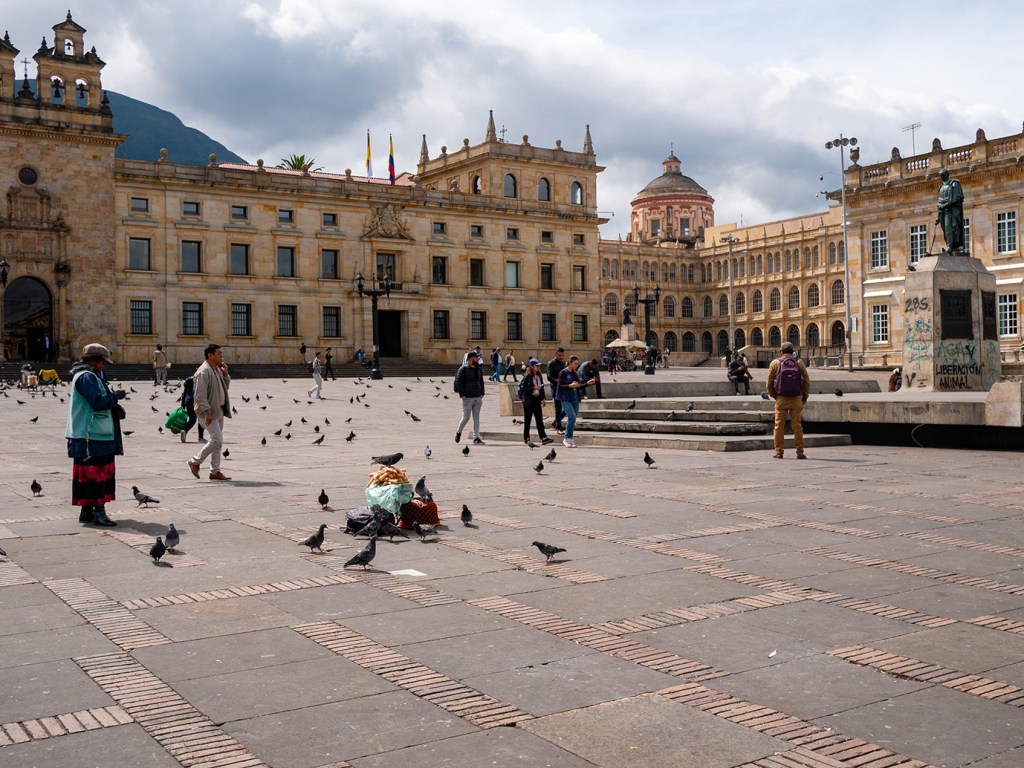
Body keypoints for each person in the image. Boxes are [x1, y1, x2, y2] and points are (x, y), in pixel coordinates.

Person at [65, 343, 125, 527]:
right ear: (93, 361)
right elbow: (98, 402)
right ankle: (99, 513)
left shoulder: (89, 376)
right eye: (102, 362)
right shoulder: (87, 377)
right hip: (92, 435)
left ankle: (86, 512)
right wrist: (116, 397)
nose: (104, 365)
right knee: (96, 474)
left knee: (88, 474)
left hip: (92, 434)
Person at [187, 343, 232, 481]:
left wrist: (225, 374)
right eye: (218, 353)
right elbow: (199, 395)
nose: (221, 356)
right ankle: (194, 462)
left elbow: (224, 388)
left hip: (218, 410)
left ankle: (215, 471)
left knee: (217, 442)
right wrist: (207, 412)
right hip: (208, 413)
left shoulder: (215, 369)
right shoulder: (204, 371)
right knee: (217, 440)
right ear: (210, 355)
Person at [766, 341, 810, 459]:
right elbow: (806, 380)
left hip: (781, 398)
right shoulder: (799, 363)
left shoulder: (775, 363)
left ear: (781, 351)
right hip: (796, 398)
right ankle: (800, 452)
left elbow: (769, 382)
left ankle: (779, 452)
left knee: (779, 426)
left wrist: (774, 395)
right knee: (797, 426)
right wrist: (804, 397)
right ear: (793, 351)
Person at [556, 355, 594, 448]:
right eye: (575, 363)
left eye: (577, 364)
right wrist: (570, 385)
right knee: (571, 416)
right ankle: (566, 438)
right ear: (570, 363)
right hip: (565, 398)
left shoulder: (574, 373)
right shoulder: (563, 372)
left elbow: (578, 386)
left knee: (573, 419)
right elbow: (560, 386)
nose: (577, 365)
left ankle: (570, 438)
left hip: (575, 398)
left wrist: (587, 384)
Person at [518, 358, 554, 446]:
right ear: (531, 366)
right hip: (529, 401)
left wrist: (543, 398)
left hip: (537, 399)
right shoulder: (527, 376)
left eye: (538, 365)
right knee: (528, 420)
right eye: (536, 365)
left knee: (539, 419)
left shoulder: (539, 376)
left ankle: (543, 438)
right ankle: (526, 438)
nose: (538, 367)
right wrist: (533, 388)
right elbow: (523, 388)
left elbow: (542, 387)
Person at [453, 350, 486, 445]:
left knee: (476, 418)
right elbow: (458, 382)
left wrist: (482, 392)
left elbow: (481, 381)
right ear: (471, 359)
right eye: (476, 357)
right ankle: (458, 432)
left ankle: (476, 438)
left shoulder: (478, 369)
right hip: (467, 398)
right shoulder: (463, 369)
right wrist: (462, 394)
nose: (478, 359)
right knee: (466, 417)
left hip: (477, 397)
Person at [936, 169, 965, 254]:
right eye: (941, 175)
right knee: (945, 229)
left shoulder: (955, 184)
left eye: (943, 175)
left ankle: (951, 246)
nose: (942, 177)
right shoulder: (941, 187)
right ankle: (950, 245)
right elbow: (939, 201)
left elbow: (957, 197)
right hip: (943, 211)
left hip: (951, 211)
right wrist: (938, 216)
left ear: (948, 174)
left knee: (950, 227)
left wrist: (946, 204)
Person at [179, 373, 205, 444]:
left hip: (188, 402)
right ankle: (200, 438)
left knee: (192, 419)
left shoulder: (188, 380)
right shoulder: (202, 380)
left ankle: (185, 430)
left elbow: (184, 393)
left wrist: (183, 404)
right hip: (197, 401)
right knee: (201, 419)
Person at [546, 348, 567, 434]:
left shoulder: (563, 363)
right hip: (555, 388)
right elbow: (549, 377)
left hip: (564, 388)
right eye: (559, 355)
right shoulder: (551, 363)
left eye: (562, 355)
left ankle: (556, 422)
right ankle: (559, 427)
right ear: (555, 354)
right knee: (558, 408)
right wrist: (558, 382)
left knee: (568, 407)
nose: (561, 357)